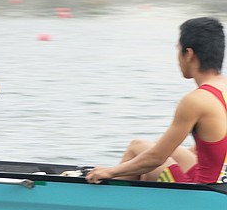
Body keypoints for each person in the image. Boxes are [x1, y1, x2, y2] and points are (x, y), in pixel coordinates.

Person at [86, 17, 227, 184]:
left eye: (178, 50)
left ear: (189, 54)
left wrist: (110, 171)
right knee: (157, 147)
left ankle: (113, 196)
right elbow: (214, 147)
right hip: (221, 179)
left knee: (137, 147)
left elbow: (156, 158)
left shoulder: (196, 100)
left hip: (203, 191)